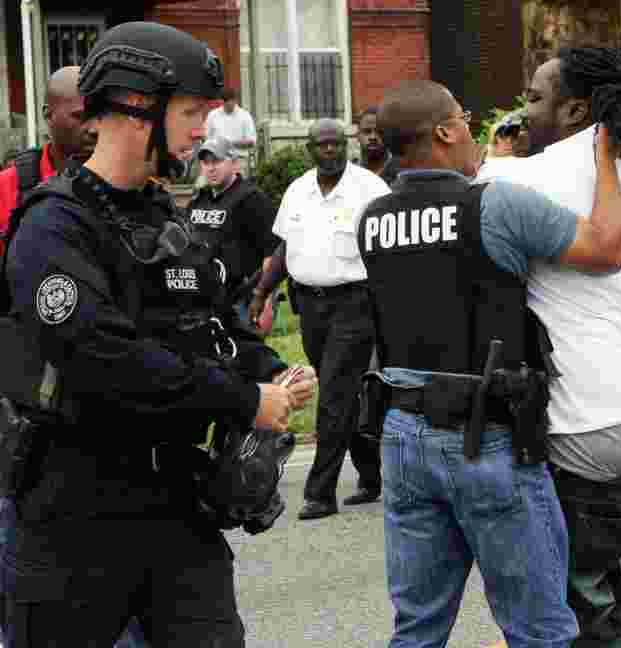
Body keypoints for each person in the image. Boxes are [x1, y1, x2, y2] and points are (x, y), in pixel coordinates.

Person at [0, 21, 313, 645]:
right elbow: (103, 355)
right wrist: (246, 401)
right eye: (194, 111)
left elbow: (211, 323)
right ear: (137, 107)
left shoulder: (161, 215)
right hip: (75, 513)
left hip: (175, 501)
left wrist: (267, 370)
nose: (205, 130)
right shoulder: (53, 226)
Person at [358, 77, 621, 648]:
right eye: (463, 115)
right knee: (541, 629)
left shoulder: (373, 217)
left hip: (403, 433)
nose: (472, 128)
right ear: (445, 131)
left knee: (418, 627)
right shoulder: (493, 203)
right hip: (486, 438)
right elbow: (606, 249)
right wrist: (606, 160)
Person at [487, 46, 621, 647]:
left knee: (573, 613)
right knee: (617, 598)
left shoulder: (520, 179)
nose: (523, 109)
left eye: (534, 97)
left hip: (588, 426)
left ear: (574, 109)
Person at [250, 118, 390, 519]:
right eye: (322, 146)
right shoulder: (298, 191)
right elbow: (283, 249)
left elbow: (386, 249)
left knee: (332, 391)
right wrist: (262, 292)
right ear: (310, 150)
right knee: (343, 391)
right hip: (309, 306)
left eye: (336, 144)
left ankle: (320, 492)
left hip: (354, 303)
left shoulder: (369, 188)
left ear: (345, 146)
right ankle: (371, 472)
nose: (330, 152)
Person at [186, 135, 280, 337]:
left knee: (246, 361)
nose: (210, 168)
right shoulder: (198, 201)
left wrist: (265, 300)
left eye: (217, 161)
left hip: (243, 300)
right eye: (205, 162)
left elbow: (272, 255)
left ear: (235, 164)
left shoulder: (252, 198)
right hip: (205, 300)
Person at [0, 66, 97, 257]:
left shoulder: (129, 186)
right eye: (81, 116)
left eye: (100, 116)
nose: (94, 129)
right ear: (48, 114)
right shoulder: (6, 189)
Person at [204, 87, 257, 173]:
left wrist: (230, 143)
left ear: (235, 100)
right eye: (226, 101)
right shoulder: (212, 115)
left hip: (239, 161)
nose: (229, 104)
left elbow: (251, 141)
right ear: (222, 101)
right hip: (217, 161)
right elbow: (206, 139)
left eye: (231, 101)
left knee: (237, 186)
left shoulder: (245, 116)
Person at [356, 106, 399, 185]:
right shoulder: (348, 174)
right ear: (358, 136)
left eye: (379, 131)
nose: (373, 137)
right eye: (367, 131)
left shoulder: (401, 174)